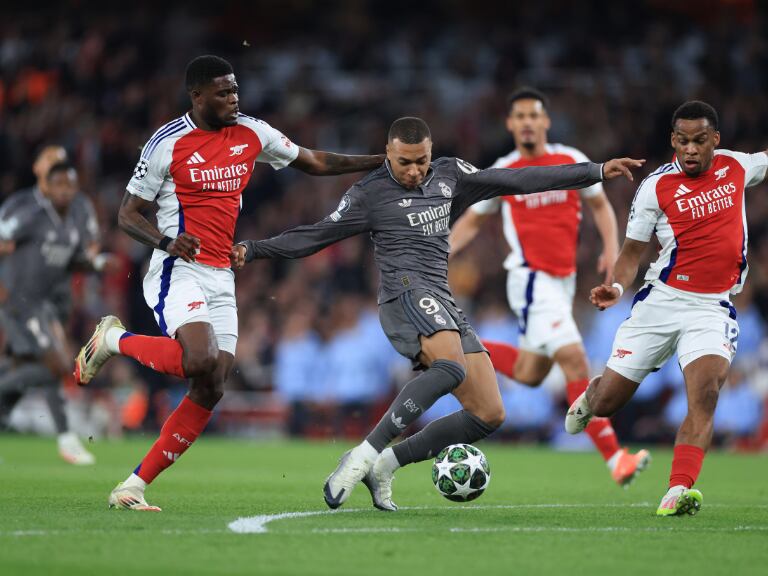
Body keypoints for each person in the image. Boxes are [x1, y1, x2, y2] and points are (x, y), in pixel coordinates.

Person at [232, 116, 643, 511]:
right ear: (387, 154)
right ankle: (360, 456)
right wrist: (255, 248)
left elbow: (516, 181)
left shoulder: (450, 176)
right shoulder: (368, 194)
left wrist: (595, 170)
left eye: (421, 161)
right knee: (450, 368)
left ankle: (385, 465)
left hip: (441, 300)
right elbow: (313, 235)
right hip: (403, 297)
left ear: (432, 153)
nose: (414, 171)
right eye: (404, 162)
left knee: (489, 413)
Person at [74, 54, 387, 511]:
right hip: (177, 268)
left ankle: (133, 485)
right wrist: (165, 240)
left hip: (222, 273)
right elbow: (127, 214)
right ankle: (114, 339)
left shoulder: (252, 132)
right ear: (197, 96)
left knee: (212, 383)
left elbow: (314, 160)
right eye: (223, 92)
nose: (234, 98)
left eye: (236, 89)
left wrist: (383, 161)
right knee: (198, 358)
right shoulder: (167, 143)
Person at [565, 100, 768, 516]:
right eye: (682, 141)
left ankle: (677, 490)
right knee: (607, 404)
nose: (690, 149)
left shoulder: (737, 166)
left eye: (699, 141)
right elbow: (632, 251)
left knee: (706, 391)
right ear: (672, 140)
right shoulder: (656, 187)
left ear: (715, 140)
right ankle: (593, 394)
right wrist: (617, 285)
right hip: (661, 304)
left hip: (712, 306)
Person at [449, 88, 649, 486]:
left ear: (545, 122)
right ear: (510, 124)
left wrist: (611, 250)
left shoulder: (570, 159)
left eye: (532, 115)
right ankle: (616, 460)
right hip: (530, 279)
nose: (526, 122)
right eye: (518, 116)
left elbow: (599, 205)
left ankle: (460, 352)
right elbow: (473, 218)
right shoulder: (504, 169)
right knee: (575, 360)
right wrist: (442, 252)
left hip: (562, 282)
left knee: (530, 372)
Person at [0, 161, 108, 464]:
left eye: (69, 185)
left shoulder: (72, 221)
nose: (63, 191)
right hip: (20, 303)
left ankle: (63, 437)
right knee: (58, 365)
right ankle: (66, 438)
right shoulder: (29, 216)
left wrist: (98, 264)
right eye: (58, 185)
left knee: (34, 368)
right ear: (47, 187)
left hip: (44, 306)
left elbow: (76, 260)